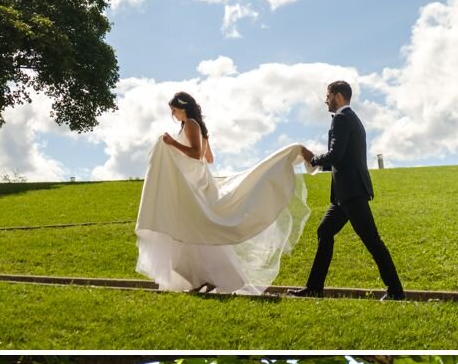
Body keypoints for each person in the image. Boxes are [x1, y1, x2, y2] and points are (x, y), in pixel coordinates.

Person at [135, 90, 309, 295]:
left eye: (174, 110)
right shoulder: (196, 126)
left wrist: (172, 145)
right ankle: (204, 279)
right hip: (198, 181)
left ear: (182, 108)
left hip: (196, 185)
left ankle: (210, 278)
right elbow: (209, 159)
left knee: (193, 229)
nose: (173, 115)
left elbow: (197, 154)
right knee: (195, 232)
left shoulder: (191, 124)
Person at [296, 81, 405, 300]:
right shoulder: (351, 119)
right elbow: (342, 158)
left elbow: (335, 155)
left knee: (372, 241)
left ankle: (396, 291)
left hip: (351, 193)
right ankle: (314, 288)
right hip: (343, 196)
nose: (325, 100)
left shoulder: (342, 120)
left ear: (338, 96)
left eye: (327, 95)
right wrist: (317, 162)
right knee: (324, 232)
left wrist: (313, 158)